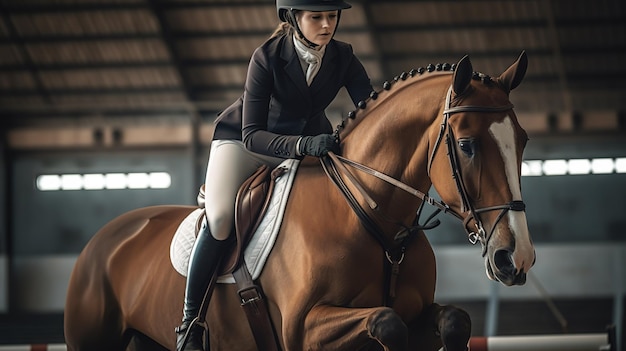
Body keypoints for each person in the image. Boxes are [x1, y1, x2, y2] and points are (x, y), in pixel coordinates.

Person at [175, 0, 373, 350]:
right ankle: (191, 322)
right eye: (316, 17)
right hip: (244, 143)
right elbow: (252, 133)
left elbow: (370, 110)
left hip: (308, 142)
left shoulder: (343, 56)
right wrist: (302, 145)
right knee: (220, 218)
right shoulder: (266, 57)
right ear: (293, 18)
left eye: (332, 16)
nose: (327, 25)